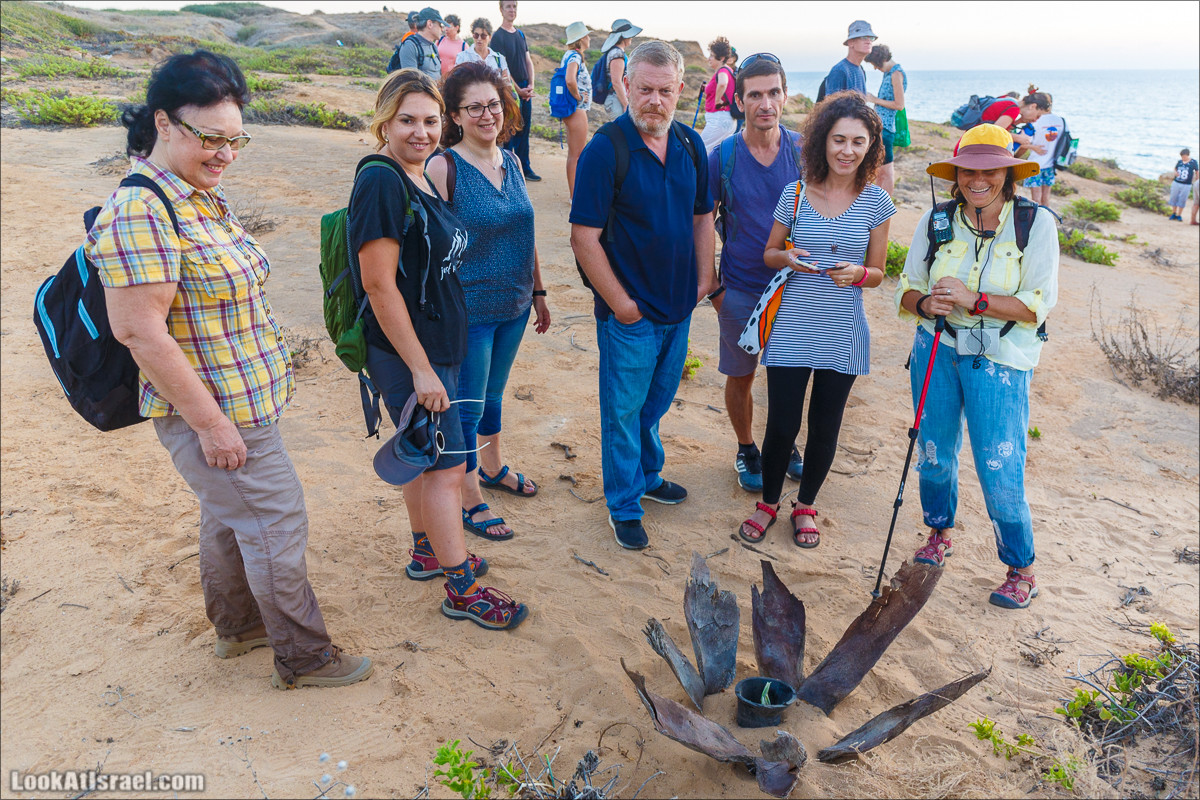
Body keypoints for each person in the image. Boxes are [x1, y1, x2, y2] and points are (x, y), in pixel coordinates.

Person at [88, 50, 372, 689]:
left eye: (234, 139)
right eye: (209, 138)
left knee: (229, 515)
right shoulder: (144, 208)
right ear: (163, 124)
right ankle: (304, 657)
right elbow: (137, 329)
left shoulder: (194, 195)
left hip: (237, 401)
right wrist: (213, 426)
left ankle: (238, 627)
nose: (224, 153)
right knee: (275, 523)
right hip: (214, 411)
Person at [351, 68, 528, 630]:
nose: (421, 132)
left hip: (437, 344)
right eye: (407, 121)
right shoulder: (382, 181)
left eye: (429, 121)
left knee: (429, 461)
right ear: (384, 121)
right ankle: (461, 588)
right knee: (450, 468)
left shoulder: (418, 174)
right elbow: (378, 285)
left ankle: (428, 550)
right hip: (414, 353)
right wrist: (422, 370)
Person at [895, 123, 1058, 609]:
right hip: (935, 350)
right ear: (957, 174)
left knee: (999, 463)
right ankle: (938, 533)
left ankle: (1020, 566)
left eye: (991, 170)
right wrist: (926, 304)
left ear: (1008, 174)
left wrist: (973, 299)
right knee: (934, 452)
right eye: (969, 169)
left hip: (1001, 361)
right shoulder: (937, 220)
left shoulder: (1035, 223)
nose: (978, 179)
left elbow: (1037, 306)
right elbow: (907, 289)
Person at [570, 41, 717, 550]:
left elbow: (703, 218)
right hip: (629, 314)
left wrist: (705, 279)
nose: (655, 100)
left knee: (654, 404)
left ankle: (649, 477)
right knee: (624, 411)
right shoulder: (604, 149)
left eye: (665, 90)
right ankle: (625, 503)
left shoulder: (692, 145)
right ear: (625, 87)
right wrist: (621, 305)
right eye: (645, 89)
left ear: (680, 90)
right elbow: (583, 237)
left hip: (679, 307)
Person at [738, 91, 895, 548]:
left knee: (826, 424)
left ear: (870, 147)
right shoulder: (796, 193)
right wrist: (788, 257)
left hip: (843, 329)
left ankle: (805, 505)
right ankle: (768, 502)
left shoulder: (878, 204)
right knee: (782, 423)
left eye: (858, 142)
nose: (847, 150)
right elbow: (769, 253)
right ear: (822, 142)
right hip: (791, 323)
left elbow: (880, 273)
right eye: (839, 139)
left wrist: (859, 273)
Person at [426, 61, 550, 541]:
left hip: (515, 305)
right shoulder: (444, 167)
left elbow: (526, 232)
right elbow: (432, 244)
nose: (486, 114)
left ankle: (494, 467)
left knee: (494, 396)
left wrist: (538, 291)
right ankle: (470, 494)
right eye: (473, 107)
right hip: (469, 310)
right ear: (455, 116)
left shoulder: (513, 161)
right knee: (468, 406)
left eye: (493, 104)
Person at [707, 52, 805, 494]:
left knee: (790, 376)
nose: (765, 103)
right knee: (741, 375)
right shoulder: (721, 157)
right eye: (755, 95)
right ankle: (747, 447)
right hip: (741, 287)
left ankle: (785, 443)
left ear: (784, 95)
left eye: (773, 93)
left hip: (798, 287)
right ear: (740, 100)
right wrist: (713, 288)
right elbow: (700, 222)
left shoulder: (806, 151)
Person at [491, 0, 540, 181]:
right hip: (510, 91)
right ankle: (508, 170)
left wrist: (531, 85)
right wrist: (518, 91)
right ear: (501, 10)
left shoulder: (520, 34)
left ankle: (524, 168)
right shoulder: (498, 37)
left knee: (524, 130)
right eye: (508, 7)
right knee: (509, 131)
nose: (512, 10)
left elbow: (528, 60)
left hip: (525, 88)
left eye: (514, 7)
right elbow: (503, 68)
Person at [864, 44, 906, 197]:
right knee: (879, 170)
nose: (875, 68)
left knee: (886, 171)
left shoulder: (896, 74)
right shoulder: (889, 74)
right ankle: (877, 203)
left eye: (875, 64)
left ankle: (884, 206)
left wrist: (875, 99)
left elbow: (899, 105)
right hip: (882, 127)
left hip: (887, 128)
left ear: (880, 60)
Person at [559, 22, 593, 196]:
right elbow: (570, 80)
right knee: (578, 155)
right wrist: (579, 96)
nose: (589, 38)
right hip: (577, 110)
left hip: (572, 110)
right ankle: (576, 196)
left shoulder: (569, 55)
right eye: (586, 35)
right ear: (580, 39)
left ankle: (574, 194)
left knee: (574, 155)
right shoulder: (575, 57)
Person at [1018, 85, 1062, 206]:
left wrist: (1034, 147)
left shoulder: (1035, 122)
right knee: (1046, 198)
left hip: (1035, 165)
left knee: (1036, 199)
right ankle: (1047, 222)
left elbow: (1023, 142)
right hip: (1051, 164)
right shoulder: (1060, 120)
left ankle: (1036, 222)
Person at [699, 36, 738, 153]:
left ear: (721, 58)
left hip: (719, 118)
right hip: (726, 119)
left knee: (700, 150)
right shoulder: (728, 70)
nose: (709, 59)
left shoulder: (722, 71)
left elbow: (723, 83)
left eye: (711, 55)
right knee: (717, 153)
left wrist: (717, 100)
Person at [598, 19, 640, 118]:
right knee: (620, 131)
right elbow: (616, 81)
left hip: (616, 99)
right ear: (623, 36)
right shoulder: (617, 54)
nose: (632, 37)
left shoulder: (617, 52)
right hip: (616, 100)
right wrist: (625, 104)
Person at [823, 20, 874, 97]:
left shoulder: (861, 70)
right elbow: (831, 107)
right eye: (864, 37)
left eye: (871, 38)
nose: (869, 41)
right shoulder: (839, 71)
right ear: (851, 42)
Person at [455, 17, 511, 85]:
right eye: (476, 35)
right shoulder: (462, 57)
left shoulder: (499, 59)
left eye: (483, 36)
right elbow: (456, 83)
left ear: (490, 37)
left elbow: (507, 85)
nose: (479, 39)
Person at [396, 7, 444, 82]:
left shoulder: (433, 47)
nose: (442, 29)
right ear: (430, 24)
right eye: (440, 25)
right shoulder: (410, 46)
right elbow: (411, 83)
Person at [1168, 148, 1198, 221]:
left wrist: (1196, 181)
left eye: (1184, 157)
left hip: (1186, 184)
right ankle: (1173, 213)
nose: (1183, 158)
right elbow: (1175, 168)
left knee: (1182, 199)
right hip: (1177, 182)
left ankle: (1179, 215)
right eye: (1182, 157)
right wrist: (1175, 172)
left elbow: (1197, 171)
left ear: (1188, 155)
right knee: (1174, 198)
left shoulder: (1193, 162)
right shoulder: (1179, 162)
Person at [436, 14, 468, 79]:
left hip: (452, 81)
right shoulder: (440, 40)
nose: (446, 29)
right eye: (445, 26)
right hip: (437, 80)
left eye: (449, 26)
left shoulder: (464, 46)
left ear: (457, 27)